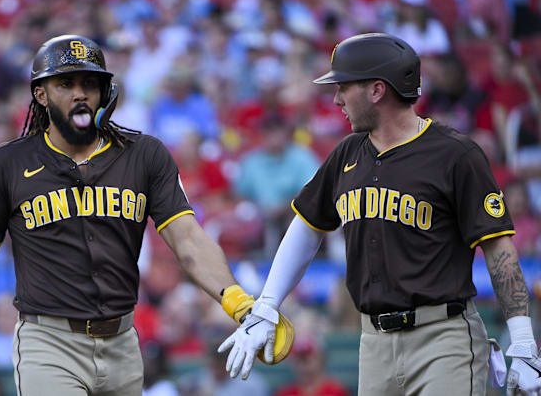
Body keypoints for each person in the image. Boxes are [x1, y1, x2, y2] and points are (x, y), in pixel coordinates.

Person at [0, 34, 250, 396]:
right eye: (65, 83)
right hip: (49, 343)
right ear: (40, 94)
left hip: (122, 343)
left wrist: (239, 302)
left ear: (106, 92)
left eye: (90, 82)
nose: (80, 93)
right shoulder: (8, 164)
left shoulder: (145, 155)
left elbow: (186, 238)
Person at [218, 33, 541, 396]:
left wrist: (524, 341)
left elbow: (499, 249)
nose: (337, 98)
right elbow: (307, 227)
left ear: (376, 90)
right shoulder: (347, 153)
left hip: (443, 337)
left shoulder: (455, 154)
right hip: (373, 342)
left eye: (344, 87)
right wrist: (266, 304)